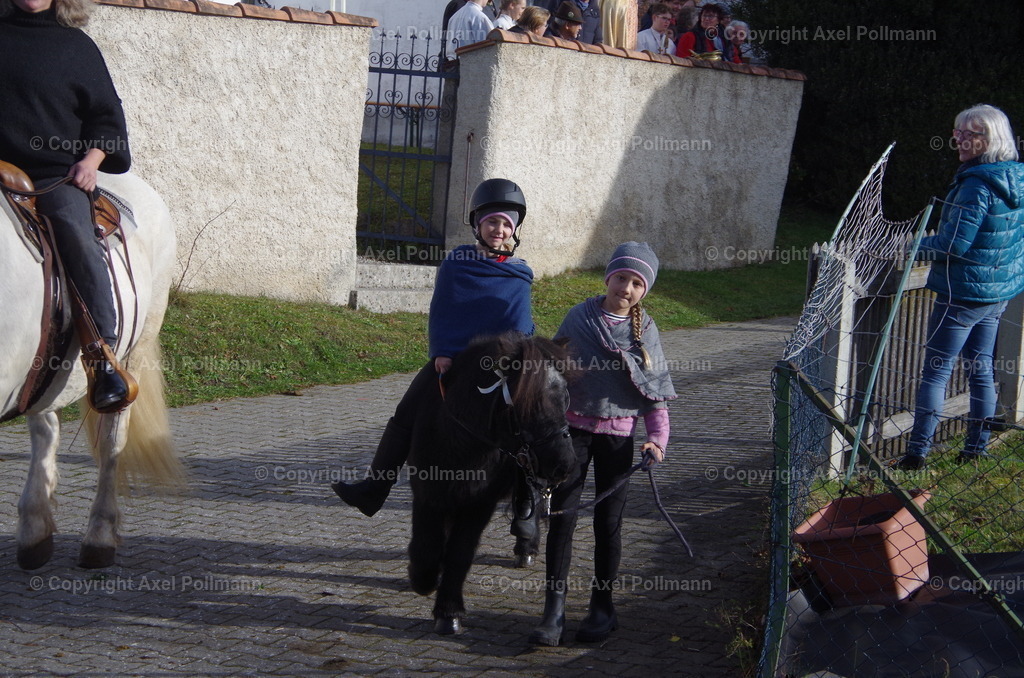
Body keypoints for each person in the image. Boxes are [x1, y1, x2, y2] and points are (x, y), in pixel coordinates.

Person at [333, 179, 535, 520]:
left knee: (529, 424)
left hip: (503, 366)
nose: (498, 229)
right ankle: (373, 489)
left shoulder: (519, 274)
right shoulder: (457, 262)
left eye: (505, 224)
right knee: (408, 412)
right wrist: (442, 350)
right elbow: (444, 308)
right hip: (455, 359)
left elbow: (522, 324)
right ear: (477, 225)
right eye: (491, 222)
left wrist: (517, 363)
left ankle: (525, 511)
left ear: (513, 230)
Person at [530, 242, 677, 646]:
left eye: (636, 283)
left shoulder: (646, 332)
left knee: (608, 524)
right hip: (572, 434)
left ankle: (602, 607)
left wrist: (657, 440)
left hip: (619, 437)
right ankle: (553, 613)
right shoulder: (579, 317)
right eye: (621, 278)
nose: (626, 288)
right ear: (607, 278)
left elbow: (654, 391)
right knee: (562, 519)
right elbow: (553, 373)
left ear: (643, 291)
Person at [0, 0, 135, 412]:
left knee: (75, 233)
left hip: (51, 177)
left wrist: (92, 163)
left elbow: (107, 119)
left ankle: (101, 357)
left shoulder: (77, 47)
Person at [895, 105, 1024, 470]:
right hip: (997, 292)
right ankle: (976, 449)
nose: (962, 140)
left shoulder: (976, 184)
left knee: (936, 371)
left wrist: (910, 247)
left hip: (962, 294)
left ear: (992, 138)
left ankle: (917, 453)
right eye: (958, 132)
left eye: (973, 133)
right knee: (981, 368)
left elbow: (955, 244)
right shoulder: (1017, 177)